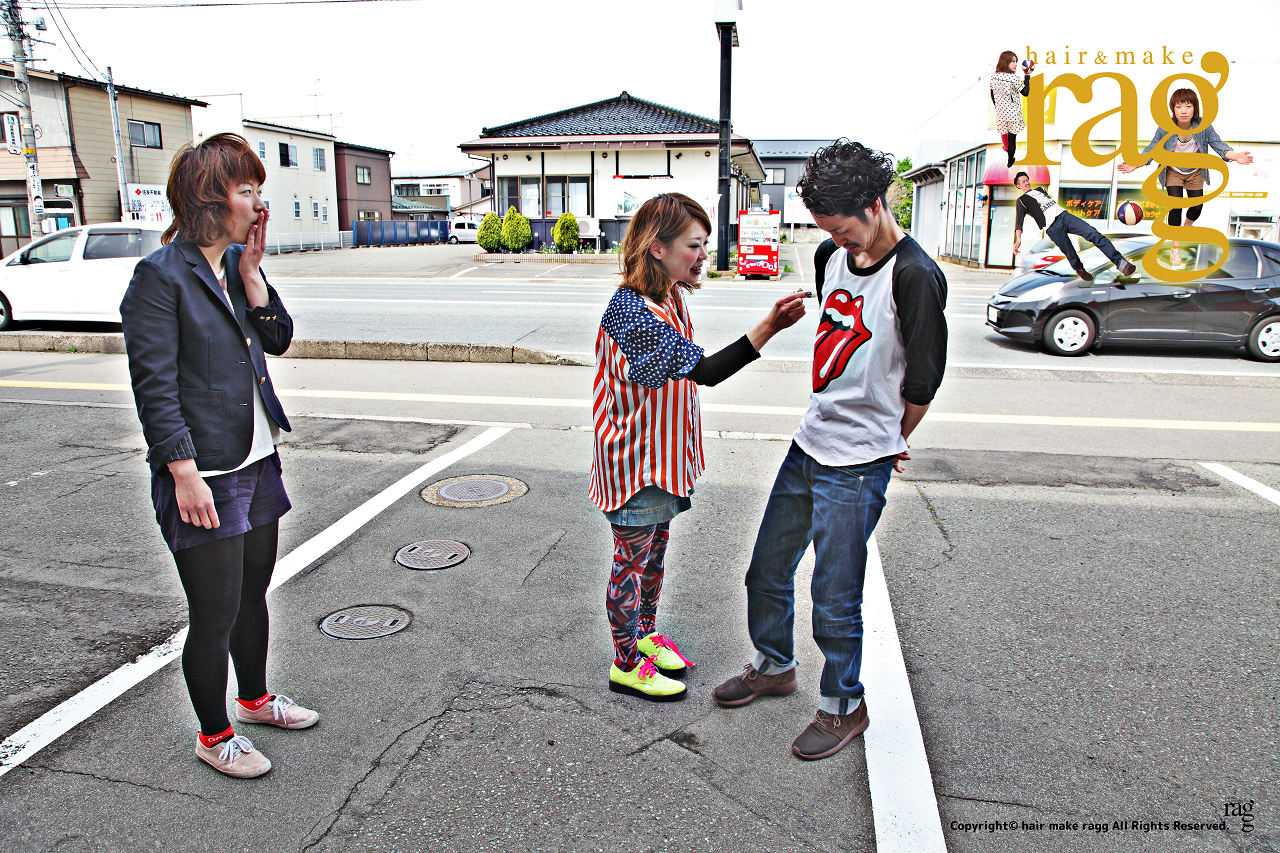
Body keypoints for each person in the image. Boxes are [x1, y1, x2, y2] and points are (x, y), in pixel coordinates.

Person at [711, 140, 946, 760]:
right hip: (810, 441)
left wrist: (893, 439)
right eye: (828, 232)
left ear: (875, 205)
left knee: (835, 597)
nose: (837, 242)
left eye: (843, 230)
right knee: (766, 570)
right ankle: (774, 665)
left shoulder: (916, 275)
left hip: (859, 461)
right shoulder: (828, 256)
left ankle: (844, 705)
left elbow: (923, 381)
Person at [120, 133, 315, 779]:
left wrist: (253, 274)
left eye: (259, 189)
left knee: (253, 592)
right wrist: (182, 473)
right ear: (210, 198)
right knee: (214, 611)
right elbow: (155, 386)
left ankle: (255, 699)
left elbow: (278, 339)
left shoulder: (234, 265)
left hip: (255, 459)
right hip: (204, 473)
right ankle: (214, 734)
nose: (259, 204)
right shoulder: (159, 277)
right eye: (246, 190)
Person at [591, 192, 807, 702]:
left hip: (664, 462)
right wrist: (770, 326)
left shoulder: (671, 295)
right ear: (657, 247)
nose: (704, 254)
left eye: (705, 243)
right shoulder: (632, 313)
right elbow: (706, 371)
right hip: (636, 466)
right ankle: (625, 664)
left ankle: (645, 637)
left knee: (654, 557)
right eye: (695, 244)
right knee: (630, 564)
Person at [1118, 87, 1253, 267]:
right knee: (1176, 204)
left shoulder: (1203, 126)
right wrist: (1135, 164)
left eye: (1188, 106)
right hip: (1172, 170)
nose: (1183, 111)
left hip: (1195, 171)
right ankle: (1176, 246)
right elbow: (1152, 149)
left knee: (1197, 207)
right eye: (1179, 106)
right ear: (1173, 109)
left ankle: (1187, 226)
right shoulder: (1165, 127)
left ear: (1194, 108)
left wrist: (1235, 156)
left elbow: (1218, 144)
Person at [1012, 171, 1137, 283]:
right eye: (1023, 182)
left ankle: (1122, 264)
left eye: (1027, 180)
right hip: (1052, 228)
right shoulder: (1021, 201)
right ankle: (1079, 269)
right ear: (1018, 185)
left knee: (1093, 233)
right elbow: (1019, 222)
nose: (1026, 183)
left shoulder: (1041, 189)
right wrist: (1018, 239)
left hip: (1064, 216)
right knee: (1070, 252)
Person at [990, 50, 1031, 169]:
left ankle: (1007, 149)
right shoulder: (1014, 78)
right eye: (1013, 61)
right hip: (1013, 113)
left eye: (1016, 61)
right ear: (1006, 62)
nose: (1016, 64)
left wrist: (997, 106)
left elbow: (992, 93)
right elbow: (1025, 92)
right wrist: (1027, 77)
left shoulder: (994, 77)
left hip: (1001, 112)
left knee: (1004, 132)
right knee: (1012, 138)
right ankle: (1010, 159)